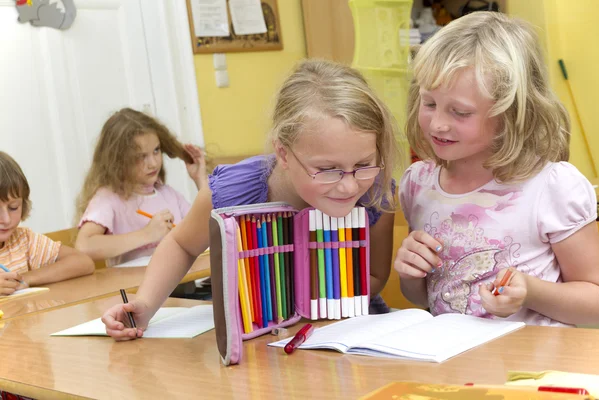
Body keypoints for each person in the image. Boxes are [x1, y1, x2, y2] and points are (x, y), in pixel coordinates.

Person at [102, 59, 402, 339]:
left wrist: (317, 310)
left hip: (348, 335)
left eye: (362, 165)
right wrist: (144, 305)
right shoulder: (234, 192)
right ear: (283, 153)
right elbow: (181, 244)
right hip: (259, 342)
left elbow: (375, 275)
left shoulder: (376, 192)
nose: (349, 186)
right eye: (327, 170)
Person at [396, 12, 599, 326]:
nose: (438, 124)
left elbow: (595, 301)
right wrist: (410, 274)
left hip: (533, 369)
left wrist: (530, 292)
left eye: (460, 112)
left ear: (510, 111)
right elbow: (428, 297)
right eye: (429, 103)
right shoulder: (418, 184)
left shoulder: (551, 187)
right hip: (451, 368)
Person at [75, 108, 205, 267]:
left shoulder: (168, 194)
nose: (153, 163)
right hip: (137, 290)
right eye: (141, 156)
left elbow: (205, 230)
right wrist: (147, 234)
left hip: (181, 284)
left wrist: (201, 181)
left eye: (156, 150)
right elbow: (84, 246)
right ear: (117, 160)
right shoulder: (108, 199)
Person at [0, 151, 94, 295]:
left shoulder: (24, 240)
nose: (6, 219)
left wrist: (27, 278)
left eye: (13, 207)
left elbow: (83, 262)